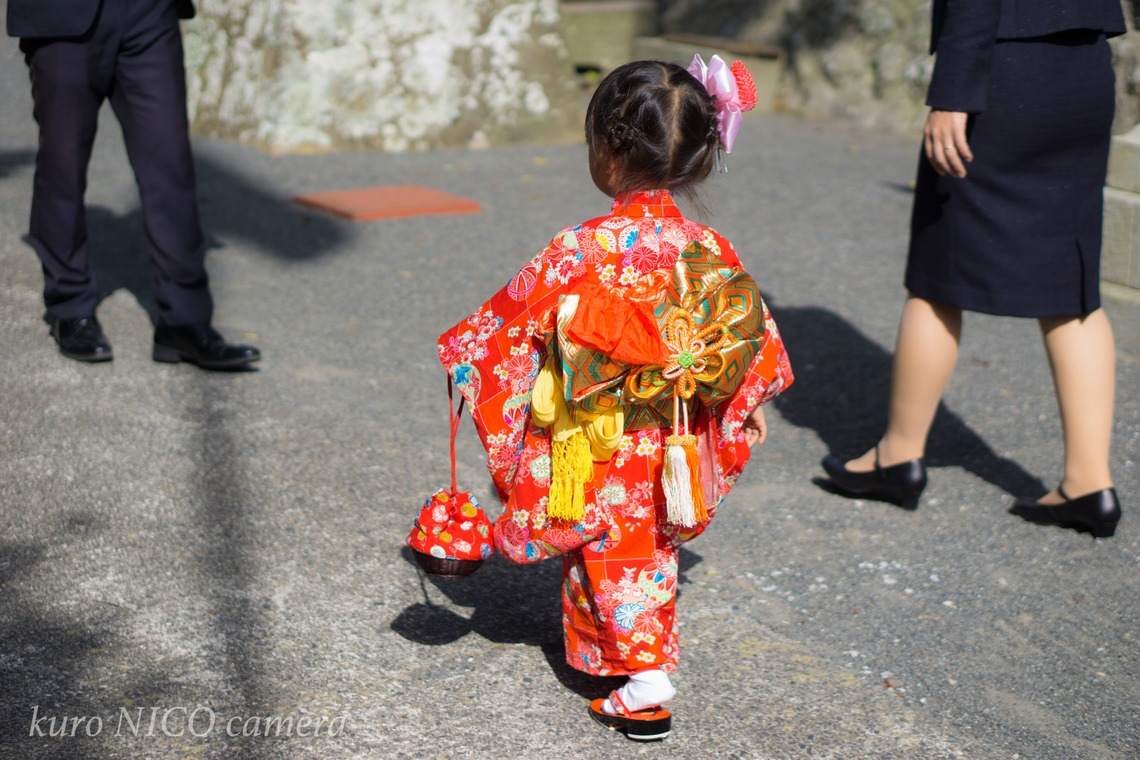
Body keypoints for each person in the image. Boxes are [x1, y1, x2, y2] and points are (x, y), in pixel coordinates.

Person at [437, 57, 793, 740]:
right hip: (675, 439)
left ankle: (648, 680)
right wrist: (747, 405)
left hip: (591, 436)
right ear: (696, 158)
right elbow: (745, 340)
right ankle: (610, 655)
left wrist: (468, 359)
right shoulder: (710, 249)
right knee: (640, 547)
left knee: (606, 544)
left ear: (606, 149)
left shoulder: (581, 248)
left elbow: (506, 330)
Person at [821, 0, 1126, 538]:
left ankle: (899, 458)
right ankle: (1089, 484)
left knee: (939, 278)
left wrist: (952, 93)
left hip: (1000, 76)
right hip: (1083, 65)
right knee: (1072, 284)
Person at [7, 0, 260, 370]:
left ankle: (185, 322)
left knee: (170, 165)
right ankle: (70, 308)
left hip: (150, 13)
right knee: (64, 165)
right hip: (63, 16)